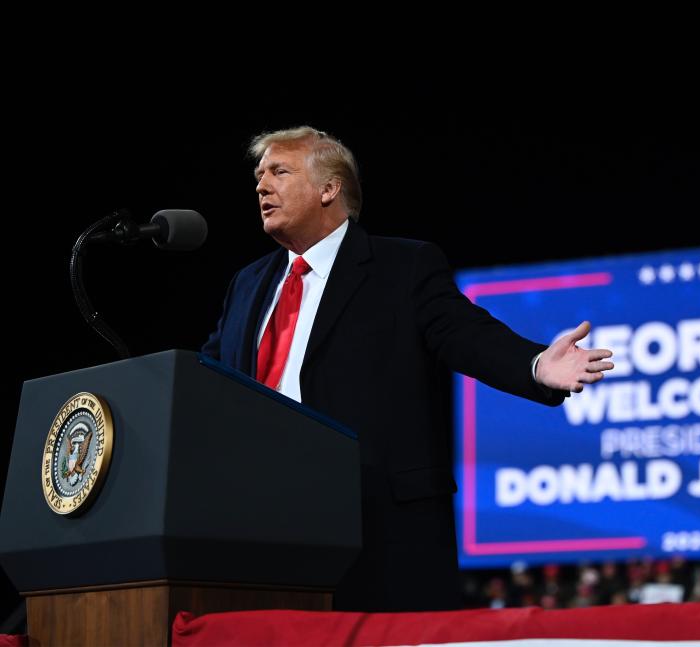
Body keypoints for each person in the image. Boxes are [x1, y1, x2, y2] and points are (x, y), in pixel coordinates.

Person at [201, 126, 614, 612]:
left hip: (375, 525)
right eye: (259, 176)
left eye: (279, 172)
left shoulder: (402, 266)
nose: (261, 186)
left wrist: (536, 362)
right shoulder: (247, 284)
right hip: (261, 520)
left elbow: (465, 334)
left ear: (329, 189)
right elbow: (209, 376)